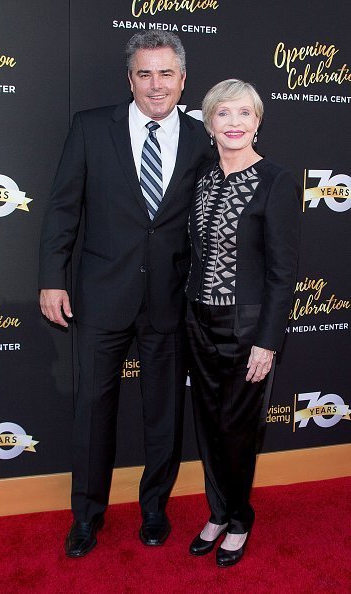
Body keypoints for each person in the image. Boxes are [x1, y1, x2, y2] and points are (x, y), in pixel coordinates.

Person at [39, 31, 212, 558]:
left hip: (170, 297)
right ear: (129, 79)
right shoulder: (92, 127)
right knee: (92, 410)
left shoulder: (205, 135)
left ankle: (154, 508)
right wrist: (52, 277)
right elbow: (64, 208)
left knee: (163, 412)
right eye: (144, 73)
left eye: (166, 74)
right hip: (100, 295)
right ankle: (86, 517)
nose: (155, 85)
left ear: (183, 80)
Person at [186, 79, 300, 567]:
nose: (234, 124)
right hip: (196, 319)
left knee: (237, 428)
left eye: (244, 114)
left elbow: (282, 270)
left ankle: (238, 517)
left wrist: (267, 341)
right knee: (208, 424)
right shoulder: (200, 176)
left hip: (248, 328)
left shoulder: (276, 180)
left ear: (258, 121)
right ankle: (217, 511)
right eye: (223, 114)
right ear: (209, 123)